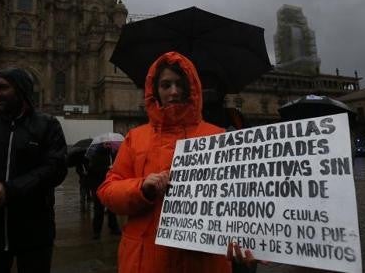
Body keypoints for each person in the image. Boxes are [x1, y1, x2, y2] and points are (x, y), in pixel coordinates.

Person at [97, 52, 257, 273]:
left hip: (203, 262)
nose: (173, 91)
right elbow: (108, 191)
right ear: (155, 90)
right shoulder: (136, 137)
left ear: (192, 87)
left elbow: (242, 201)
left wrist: (243, 243)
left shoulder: (217, 136)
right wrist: (141, 187)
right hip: (144, 261)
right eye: (165, 85)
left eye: (180, 84)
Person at [0, 67, 68, 273]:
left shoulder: (47, 125)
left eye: (3, 87)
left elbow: (55, 168)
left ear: (21, 90)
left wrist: (9, 190)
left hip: (35, 232)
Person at [87, 142, 121, 239]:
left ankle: (114, 227)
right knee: (98, 209)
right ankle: (97, 231)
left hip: (111, 184)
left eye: (109, 144)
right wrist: (107, 168)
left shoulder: (113, 154)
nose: (108, 145)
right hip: (98, 185)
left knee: (112, 208)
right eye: (106, 144)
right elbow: (93, 169)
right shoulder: (96, 155)